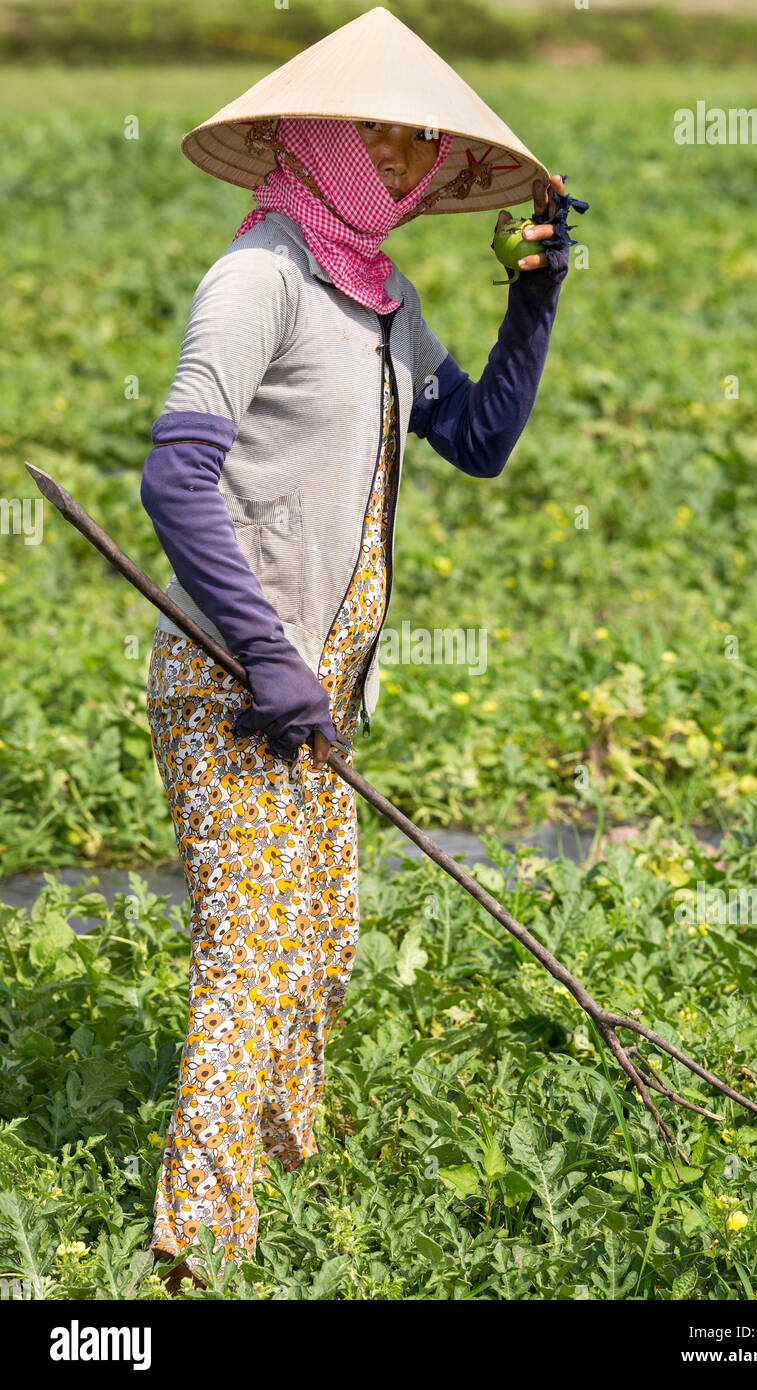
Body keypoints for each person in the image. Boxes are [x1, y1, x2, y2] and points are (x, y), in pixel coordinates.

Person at [139, 6, 587, 1292]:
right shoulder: (260, 275)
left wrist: (532, 296)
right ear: (322, 139)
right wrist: (268, 665)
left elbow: (479, 438)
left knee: (323, 941)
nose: (402, 167)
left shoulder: (377, 295)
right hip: (233, 685)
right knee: (253, 959)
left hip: (316, 692)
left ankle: (285, 1187)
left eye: (417, 150)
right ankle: (195, 1257)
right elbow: (178, 477)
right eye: (380, 140)